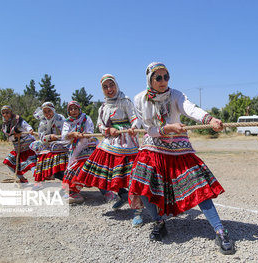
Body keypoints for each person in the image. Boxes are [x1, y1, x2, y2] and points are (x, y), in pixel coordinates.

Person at [128, 62, 235, 255]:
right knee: (141, 184)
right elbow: (148, 128)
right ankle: (159, 222)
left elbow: (190, 108)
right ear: (149, 80)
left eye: (166, 76)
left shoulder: (175, 95)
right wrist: (167, 128)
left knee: (199, 187)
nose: (163, 81)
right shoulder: (139, 99)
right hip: (153, 146)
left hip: (178, 148)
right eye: (158, 77)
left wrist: (209, 120)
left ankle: (220, 230)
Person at [76, 74, 143, 226]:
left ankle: (138, 211)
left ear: (116, 85)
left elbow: (135, 118)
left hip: (127, 143)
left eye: (111, 85)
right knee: (105, 172)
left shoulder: (125, 101)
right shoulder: (103, 107)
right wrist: (107, 129)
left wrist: (133, 128)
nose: (109, 89)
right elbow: (100, 125)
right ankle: (123, 195)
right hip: (110, 142)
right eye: (105, 87)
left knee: (133, 176)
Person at [61, 101, 98, 204]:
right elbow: (64, 135)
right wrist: (72, 134)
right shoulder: (67, 121)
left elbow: (90, 132)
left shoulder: (86, 118)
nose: (73, 111)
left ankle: (107, 193)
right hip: (75, 148)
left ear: (79, 109)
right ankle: (72, 191)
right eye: (71, 109)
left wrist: (83, 135)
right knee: (72, 167)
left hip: (88, 146)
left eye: (75, 108)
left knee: (84, 166)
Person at [30, 102, 69, 184]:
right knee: (40, 152)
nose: (47, 114)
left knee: (59, 154)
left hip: (61, 142)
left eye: (49, 111)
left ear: (53, 110)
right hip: (47, 144)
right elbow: (41, 137)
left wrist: (58, 137)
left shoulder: (60, 118)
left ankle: (61, 177)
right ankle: (42, 179)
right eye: (45, 112)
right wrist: (49, 137)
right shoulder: (43, 122)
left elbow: (66, 132)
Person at [1, 105, 36, 183]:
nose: (5, 115)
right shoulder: (4, 125)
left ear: (11, 112)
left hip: (28, 146)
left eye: (7, 112)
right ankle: (22, 179)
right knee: (8, 161)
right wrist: (15, 136)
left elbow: (26, 126)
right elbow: (8, 138)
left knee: (32, 163)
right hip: (18, 148)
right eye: (3, 113)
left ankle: (38, 181)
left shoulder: (18, 120)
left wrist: (30, 130)